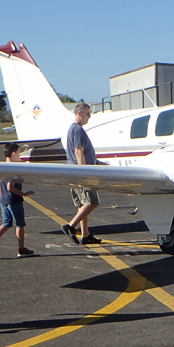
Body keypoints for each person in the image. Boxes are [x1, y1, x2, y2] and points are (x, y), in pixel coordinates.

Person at [61, 102, 105, 245]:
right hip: (79, 173)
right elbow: (78, 151)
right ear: (79, 114)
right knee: (92, 202)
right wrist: (84, 173)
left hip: (76, 171)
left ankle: (85, 235)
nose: (89, 117)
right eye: (88, 113)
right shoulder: (77, 130)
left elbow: (83, 152)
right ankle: (70, 226)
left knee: (83, 204)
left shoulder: (74, 129)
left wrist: (97, 163)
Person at [0, 143, 35, 258]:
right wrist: (24, 194)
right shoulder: (13, 168)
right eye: (18, 152)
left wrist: (2, 197)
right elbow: (10, 187)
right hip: (14, 200)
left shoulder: (3, 166)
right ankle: (21, 248)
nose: (19, 155)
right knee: (20, 224)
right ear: (13, 154)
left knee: (6, 223)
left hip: (4, 200)